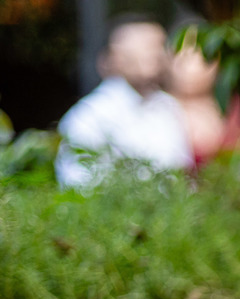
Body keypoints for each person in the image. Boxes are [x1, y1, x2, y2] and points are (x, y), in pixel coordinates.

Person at [55, 16, 193, 188]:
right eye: (146, 45)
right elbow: (78, 184)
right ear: (114, 56)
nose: (156, 53)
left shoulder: (168, 106)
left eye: (160, 44)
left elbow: (182, 175)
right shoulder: (89, 116)